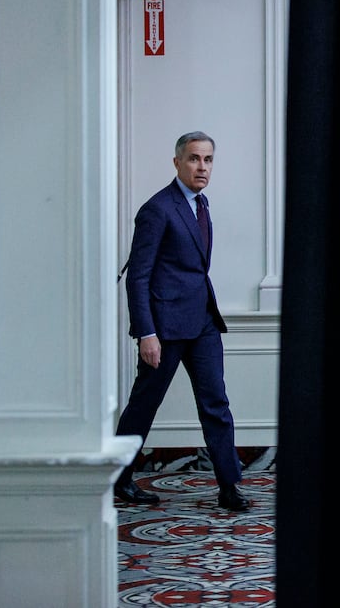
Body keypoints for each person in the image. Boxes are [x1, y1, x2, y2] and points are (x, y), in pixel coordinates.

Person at [113, 131, 249, 512]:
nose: (201, 167)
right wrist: (147, 333)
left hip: (203, 321)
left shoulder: (202, 204)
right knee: (144, 405)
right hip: (166, 328)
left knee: (216, 403)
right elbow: (138, 277)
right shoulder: (157, 209)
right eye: (193, 158)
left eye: (207, 159)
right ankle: (119, 479)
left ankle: (229, 486)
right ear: (177, 162)